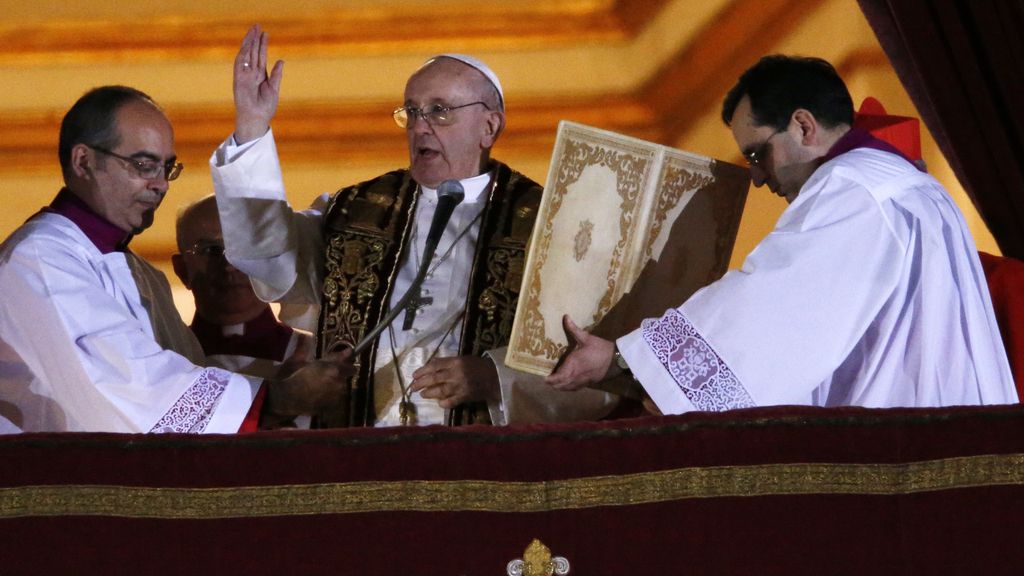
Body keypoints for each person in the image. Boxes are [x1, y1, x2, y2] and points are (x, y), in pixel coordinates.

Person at [546, 55, 1017, 413]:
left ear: (804, 126)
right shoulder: (899, 180)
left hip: (901, 431)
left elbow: (770, 304)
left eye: (756, 155)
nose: (756, 178)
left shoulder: (852, 188)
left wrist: (622, 357)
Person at [211, 25, 616, 427]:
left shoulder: (550, 223)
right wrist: (252, 128)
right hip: (361, 451)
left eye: (440, 110)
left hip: (483, 464)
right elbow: (267, 255)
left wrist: (495, 378)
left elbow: (589, 369)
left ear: (490, 127)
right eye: (412, 111)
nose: (420, 126)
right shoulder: (355, 211)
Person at [0, 85, 351, 433]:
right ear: (84, 162)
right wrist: (274, 400)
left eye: (167, 168)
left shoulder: (143, 275)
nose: (162, 185)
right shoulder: (40, 260)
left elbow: (184, 372)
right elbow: (126, 389)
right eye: (143, 165)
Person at [172, 194, 314, 380]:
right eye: (210, 250)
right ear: (182, 270)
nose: (229, 265)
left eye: (245, 249)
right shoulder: (161, 355)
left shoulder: (315, 356)